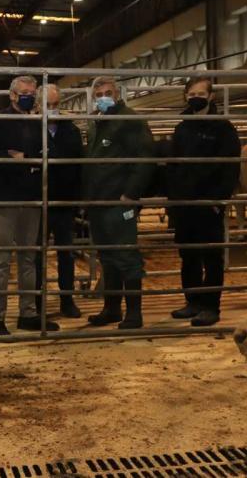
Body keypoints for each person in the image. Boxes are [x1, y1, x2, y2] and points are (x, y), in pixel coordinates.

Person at [0, 75, 60, 336]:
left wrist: (22, 157)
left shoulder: (38, 121)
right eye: (24, 93)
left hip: (30, 196)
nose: (29, 97)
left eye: (32, 93)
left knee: (28, 258)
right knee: (1, 259)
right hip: (2, 196)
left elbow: (44, 153)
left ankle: (28, 314)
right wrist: (24, 159)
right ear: (12, 95)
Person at [82, 76, 154, 329]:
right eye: (99, 94)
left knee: (126, 254)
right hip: (99, 200)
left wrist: (131, 194)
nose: (103, 98)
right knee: (107, 255)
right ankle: (111, 309)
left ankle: (134, 313)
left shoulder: (129, 120)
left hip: (118, 201)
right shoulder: (97, 121)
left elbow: (145, 158)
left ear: (117, 94)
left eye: (108, 93)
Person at [167, 77, 241, 326]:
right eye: (191, 94)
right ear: (185, 96)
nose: (195, 98)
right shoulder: (182, 127)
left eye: (200, 94)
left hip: (209, 203)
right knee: (188, 255)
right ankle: (193, 301)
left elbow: (231, 168)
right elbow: (173, 165)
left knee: (211, 256)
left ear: (211, 97)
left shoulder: (223, 128)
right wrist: (173, 199)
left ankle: (211, 306)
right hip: (184, 203)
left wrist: (218, 199)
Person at [34, 84, 83, 319]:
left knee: (66, 252)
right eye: (47, 105)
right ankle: (37, 301)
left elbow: (78, 162)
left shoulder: (71, 130)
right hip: (37, 202)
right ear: (38, 106)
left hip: (63, 200)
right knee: (36, 254)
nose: (52, 109)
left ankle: (67, 299)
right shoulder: (29, 129)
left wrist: (78, 198)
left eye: (55, 105)